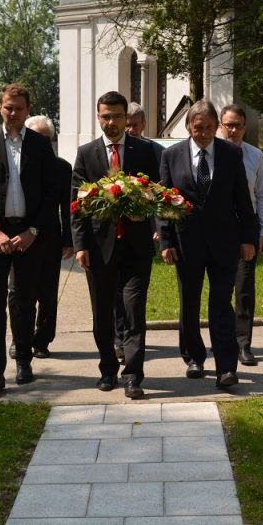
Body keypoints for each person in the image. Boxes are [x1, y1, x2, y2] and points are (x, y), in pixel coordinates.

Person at [158, 99, 257, 389]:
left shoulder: (230, 153)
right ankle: (194, 358)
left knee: (220, 305)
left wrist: (248, 239)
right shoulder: (171, 156)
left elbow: (243, 200)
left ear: (217, 128)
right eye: (198, 128)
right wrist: (165, 240)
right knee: (189, 304)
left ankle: (227, 367)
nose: (203, 134)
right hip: (186, 243)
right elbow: (164, 202)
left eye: (210, 128)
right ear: (189, 127)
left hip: (224, 244)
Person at [0, 83, 57, 395]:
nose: (13, 113)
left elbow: (50, 193)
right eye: (8, 107)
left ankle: (24, 361)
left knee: (23, 301)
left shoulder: (39, 145)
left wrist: (32, 231)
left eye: (19, 108)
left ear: (27, 110)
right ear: (0, 108)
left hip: (28, 235)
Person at [71, 91, 159, 400]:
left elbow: (157, 194)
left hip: (136, 247)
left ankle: (133, 374)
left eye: (117, 116)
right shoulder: (86, 154)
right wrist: (80, 245)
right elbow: (78, 203)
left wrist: (147, 215)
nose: (111, 122)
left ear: (127, 119)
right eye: (105, 116)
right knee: (103, 313)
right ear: (98, 118)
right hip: (99, 247)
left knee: (134, 310)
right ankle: (108, 368)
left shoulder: (146, 151)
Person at [8, 115, 73, 361]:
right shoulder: (16, 164)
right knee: (19, 292)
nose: (39, 142)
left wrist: (69, 240)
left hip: (50, 237)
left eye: (45, 138)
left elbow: (68, 207)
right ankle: (18, 339)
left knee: (47, 292)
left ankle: (42, 340)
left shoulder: (62, 167)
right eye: (34, 136)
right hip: (21, 238)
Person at [110, 102, 165, 363]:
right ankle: (119, 337)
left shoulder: (152, 151)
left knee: (132, 295)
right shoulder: (108, 151)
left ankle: (126, 341)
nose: (130, 128)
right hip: (111, 236)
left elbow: (159, 191)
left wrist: (157, 228)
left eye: (134, 124)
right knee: (114, 293)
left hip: (139, 234)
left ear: (143, 125)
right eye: (126, 123)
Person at [217, 104, 263, 366]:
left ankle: (243, 344)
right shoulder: (211, 153)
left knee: (244, 289)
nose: (234, 130)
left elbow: (262, 195)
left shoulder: (255, 156)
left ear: (245, 127)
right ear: (221, 125)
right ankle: (222, 341)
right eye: (229, 125)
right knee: (220, 290)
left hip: (246, 230)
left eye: (238, 125)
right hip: (218, 229)